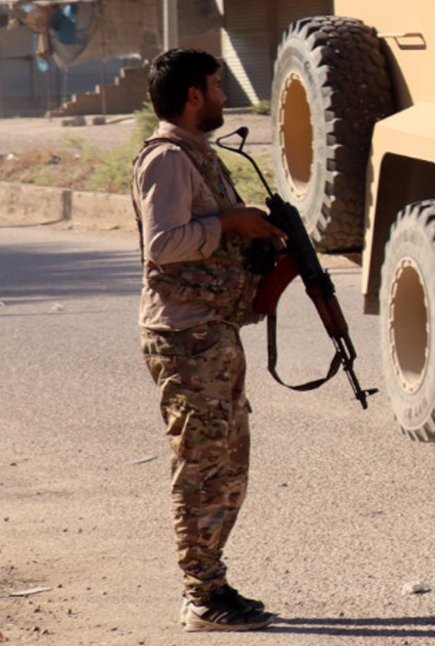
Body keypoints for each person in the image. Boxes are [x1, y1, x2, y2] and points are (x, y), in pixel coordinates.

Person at [132, 48, 283, 632]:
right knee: (201, 465)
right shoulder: (167, 160)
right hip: (184, 334)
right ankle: (200, 596)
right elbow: (164, 245)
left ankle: (212, 584)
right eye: (217, 87)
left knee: (226, 465)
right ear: (193, 95)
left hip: (209, 331)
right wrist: (228, 223)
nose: (224, 96)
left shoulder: (197, 155)